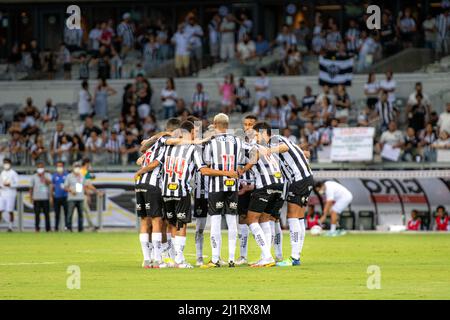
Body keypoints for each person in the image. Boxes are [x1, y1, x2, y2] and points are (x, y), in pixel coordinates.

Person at [140, 120, 236, 268]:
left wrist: (142, 162)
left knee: (171, 224)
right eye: (194, 132)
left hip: (166, 191)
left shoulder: (168, 147)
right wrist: (227, 173)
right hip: (181, 190)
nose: (195, 134)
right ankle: (179, 260)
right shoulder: (193, 149)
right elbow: (204, 170)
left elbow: (153, 159)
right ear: (190, 132)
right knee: (181, 225)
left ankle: (166, 259)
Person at [133, 118, 181, 268]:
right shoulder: (165, 144)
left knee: (144, 221)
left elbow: (142, 150)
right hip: (152, 184)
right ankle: (156, 258)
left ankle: (146, 258)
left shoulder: (153, 145)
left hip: (140, 184)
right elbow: (155, 163)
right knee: (157, 221)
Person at [264, 126, 314, 267]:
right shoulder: (282, 140)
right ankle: (296, 256)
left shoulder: (274, 140)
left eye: (257, 134)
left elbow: (284, 148)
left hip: (299, 180)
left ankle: (294, 258)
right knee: (299, 217)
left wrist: (269, 150)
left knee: (292, 217)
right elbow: (296, 151)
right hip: (305, 179)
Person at [239, 121, 285, 267]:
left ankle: (267, 256)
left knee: (251, 220)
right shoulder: (267, 147)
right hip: (279, 185)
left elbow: (254, 156)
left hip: (265, 186)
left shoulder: (254, 146)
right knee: (265, 220)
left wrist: (244, 169)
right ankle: (266, 256)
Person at [201, 114, 243, 268]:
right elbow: (240, 165)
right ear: (227, 124)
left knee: (216, 221)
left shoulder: (210, 142)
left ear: (214, 124)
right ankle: (232, 259)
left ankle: (215, 258)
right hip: (232, 186)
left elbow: (206, 165)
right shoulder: (238, 141)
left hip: (216, 186)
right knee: (232, 221)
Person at [236, 115, 257, 266]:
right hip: (242, 186)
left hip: (259, 186)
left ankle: (272, 254)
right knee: (242, 218)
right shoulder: (239, 143)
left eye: (251, 124)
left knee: (266, 219)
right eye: (246, 124)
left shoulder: (263, 142)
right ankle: (243, 256)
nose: (248, 126)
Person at [30, 162, 52, 232]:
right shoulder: (33, 176)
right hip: (36, 198)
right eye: (39, 168)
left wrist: (43, 176)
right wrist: (31, 197)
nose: (40, 169)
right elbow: (31, 188)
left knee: (47, 214)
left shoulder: (48, 175)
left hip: (45, 198)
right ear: (37, 168)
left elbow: (49, 183)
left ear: (44, 168)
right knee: (37, 214)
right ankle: (37, 228)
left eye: (41, 167)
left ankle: (48, 229)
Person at [64, 162, 86, 232]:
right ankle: (69, 228)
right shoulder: (69, 176)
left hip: (81, 198)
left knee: (81, 215)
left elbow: (84, 186)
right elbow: (65, 187)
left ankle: (80, 229)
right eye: (76, 167)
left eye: (78, 167)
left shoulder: (82, 176)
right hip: (71, 198)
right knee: (70, 214)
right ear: (73, 168)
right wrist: (71, 190)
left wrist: (87, 194)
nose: (77, 168)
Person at [0, 158, 19, 232]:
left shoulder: (13, 173)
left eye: (7, 163)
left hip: (11, 194)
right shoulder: (2, 173)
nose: (6, 164)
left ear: (10, 164)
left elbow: (17, 184)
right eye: (4, 163)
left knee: (10, 211)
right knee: (0, 209)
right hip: (2, 193)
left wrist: (10, 184)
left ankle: (10, 227)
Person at [52, 161, 69, 231]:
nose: (59, 167)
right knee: (57, 214)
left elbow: (70, 185)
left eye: (61, 166)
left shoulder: (67, 175)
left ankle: (67, 227)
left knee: (66, 213)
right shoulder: (54, 175)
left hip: (65, 196)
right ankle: (56, 228)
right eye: (58, 166)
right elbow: (52, 186)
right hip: (57, 197)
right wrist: (51, 195)